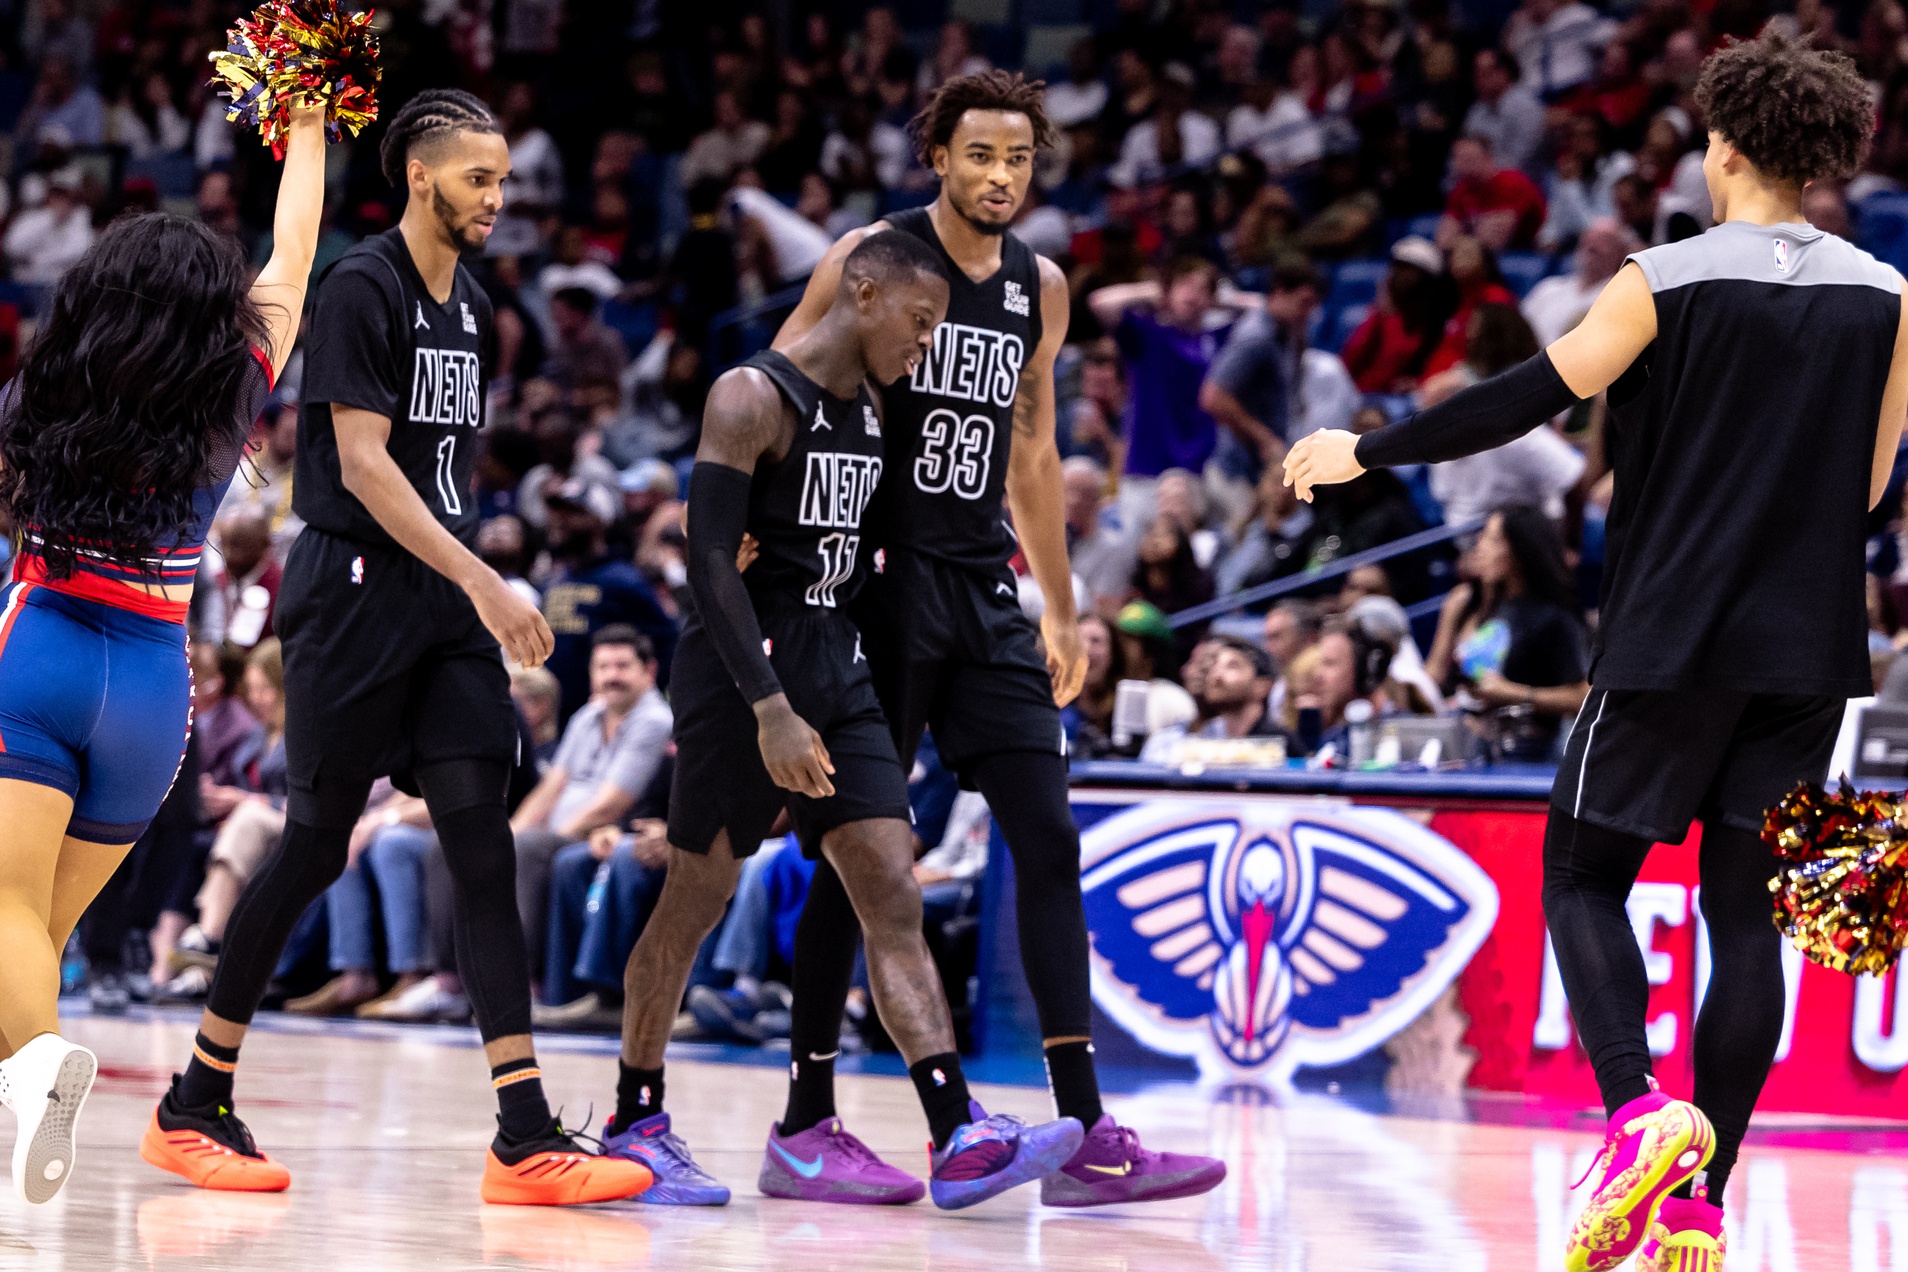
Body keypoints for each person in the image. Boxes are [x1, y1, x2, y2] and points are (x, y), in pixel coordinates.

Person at [1285, 35, 1899, 1271]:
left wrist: (1371, 450)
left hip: (1675, 634)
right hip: (1811, 654)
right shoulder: (1889, 293)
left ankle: (1634, 1114)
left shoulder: (1664, 276)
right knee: (1748, 925)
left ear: (1721, 144)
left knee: (1580, 876)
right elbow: (1878, 489)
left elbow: (1531, 395)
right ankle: (1701, 1203)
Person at [143, 91, 650, 1208]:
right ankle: (195, 1097)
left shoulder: (468, 303)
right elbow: (366, 466)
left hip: (442, 602)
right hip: (355, 591)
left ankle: (522, 1135)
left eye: (505, 179)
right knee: (317, 846)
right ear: (422, 176)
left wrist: (468, 580)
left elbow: (439, 477)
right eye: (481, 179)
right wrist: (487, 580)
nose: (499, 200)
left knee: (481, 842)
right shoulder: (361, 285)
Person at [756, 71, 1225, 1209]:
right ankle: (807, 1122)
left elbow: (1030, 449)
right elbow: (775, 395)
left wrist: (1060, 607)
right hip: (872, 588)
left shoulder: (1041, 286)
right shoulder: (872, 254)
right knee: (861, 862)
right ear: (940, 158)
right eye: (980, 156)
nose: (1000, 177)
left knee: (1049, 837)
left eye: (1018, 159)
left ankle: (1084, 1134)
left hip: (982, 591)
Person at [606, 226, 1083, 1210]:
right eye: (917, 325)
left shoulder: (876, 404)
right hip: (744, 670)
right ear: (862, 296)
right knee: (697, 895)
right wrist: (770, 709)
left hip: (838, 653)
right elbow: (706, 566)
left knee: (889, 882)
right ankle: (635, 1114)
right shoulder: (749, 397)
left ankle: (956, 1133)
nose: (924, 349)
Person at [0, 101, 323, 1206]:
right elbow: (298, 252)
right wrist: (310, 127)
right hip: (152, 686)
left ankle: (37, 1076)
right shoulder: (234, 387)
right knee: (41, 929)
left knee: (5, 913)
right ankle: (16, 1128)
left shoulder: (42, 394)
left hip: (38, 653)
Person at [509, 626, 671, 998]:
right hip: (561, 830)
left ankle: (525, 983)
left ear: (649, 671)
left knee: (533, 851)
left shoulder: (654, 721)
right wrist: (514, 829)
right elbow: (551, 787)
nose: (611, 676)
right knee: (494, 845)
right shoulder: (588, 715)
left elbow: (614, 802)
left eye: (622, 666)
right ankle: (454, 979)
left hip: (607, 828)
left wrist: (554, 835)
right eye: (603, 667)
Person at [1425, 506, 1590, 757]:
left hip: (1526, 753)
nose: (1479, 547)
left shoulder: (1551, 617)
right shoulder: (1472, 603)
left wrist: (1512, 693)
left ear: (1517, 550)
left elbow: (1583, 697)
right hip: (1467, 745)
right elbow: (1434, 678)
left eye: (1491, 539)